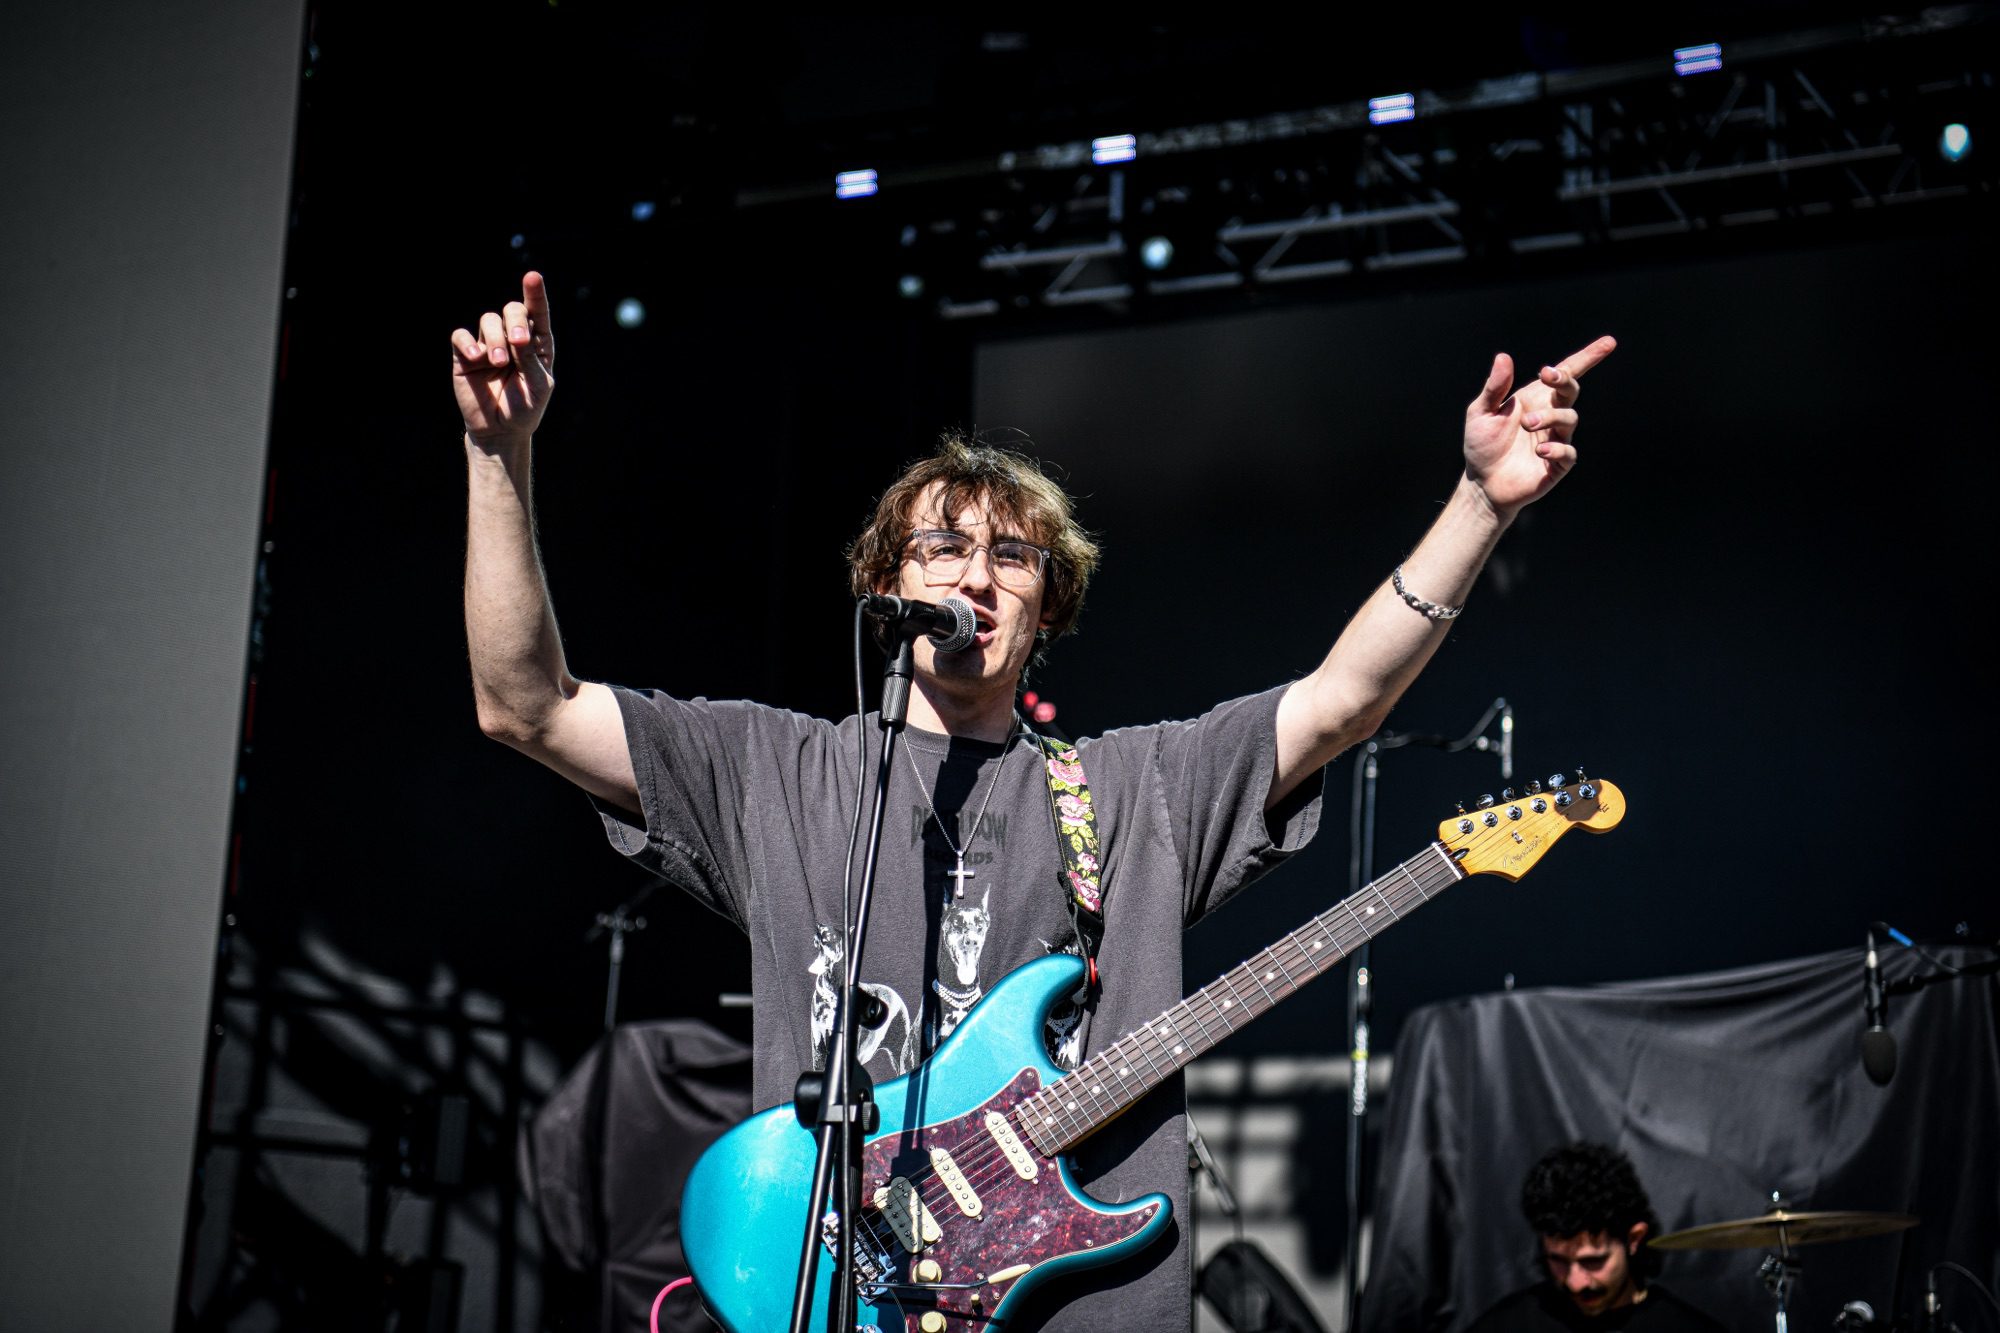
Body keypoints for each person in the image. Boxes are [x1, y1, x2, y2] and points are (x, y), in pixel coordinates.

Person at [452, 270, 1615, 1332]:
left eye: (1011, 558)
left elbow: (1341, 701)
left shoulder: (1131, 787)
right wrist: (498, 455)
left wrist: (1479, 502)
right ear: (887, 583)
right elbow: (524, 708)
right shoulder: (773, 769)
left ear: (1045, 606)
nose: (974, 574)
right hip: (832, 1289)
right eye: (941, 547)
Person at [1464, 1143, 1727, 1332]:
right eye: (1558, 1261)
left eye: (1592, 1262)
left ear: (1634, 1240)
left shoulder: (1682, 1326)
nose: (1575, 1282)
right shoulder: (1510, 1323)